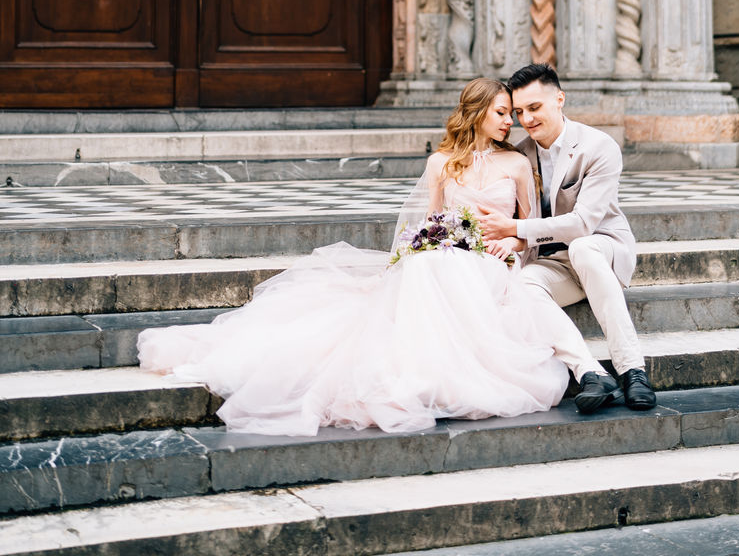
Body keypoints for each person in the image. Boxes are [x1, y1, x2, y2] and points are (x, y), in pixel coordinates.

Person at [138, 77, 602, 436]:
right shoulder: (441, 163)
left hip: (493, 260)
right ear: (478, 112)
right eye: (503, 113)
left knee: (445, 267)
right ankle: (416, 371)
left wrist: (513, 243)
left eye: (514, 114)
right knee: (429, 262)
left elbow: (531, 230)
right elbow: (427, 221)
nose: (511, 122)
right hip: (443, 254)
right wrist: (414, 250)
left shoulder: (518, 164)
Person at [480, 62, 656, 413]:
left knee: (584, 247)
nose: (527, 119)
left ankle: (632, 369)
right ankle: (590, 373)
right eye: (519, 112)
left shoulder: (598, 146)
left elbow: (583, 224)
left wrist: (515, 229)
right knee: (525, 284)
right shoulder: (520, 154)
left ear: (559, 99)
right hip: (553, 261)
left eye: (535, 108)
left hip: (601, 247)